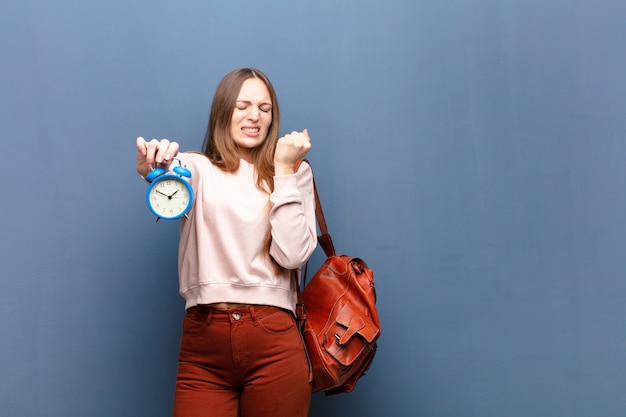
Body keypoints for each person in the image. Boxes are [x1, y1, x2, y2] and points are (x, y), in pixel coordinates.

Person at [135, 68, 317, 417]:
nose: (254, 116)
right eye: (242, 106)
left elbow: (292, 255)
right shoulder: (197, 169)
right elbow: (168, 171)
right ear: (223, 112)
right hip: (204, 341)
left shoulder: (293, 173)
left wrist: (283, 169)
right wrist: (152, 164)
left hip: (274, 340)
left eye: (264, 108)